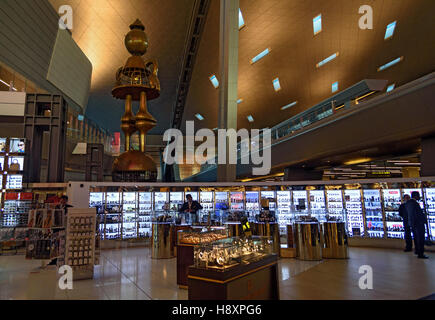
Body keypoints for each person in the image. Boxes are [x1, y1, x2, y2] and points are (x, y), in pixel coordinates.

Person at [406, 191, 429, 259]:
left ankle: (418, 251)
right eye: (418, 195)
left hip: (414, 224)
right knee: (420, 238)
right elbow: (416, 214)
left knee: (416, 238)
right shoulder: (414, 203)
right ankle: (420, 253)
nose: (419, 197)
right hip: (418, 224)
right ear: (415, 196)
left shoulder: (408, 203)